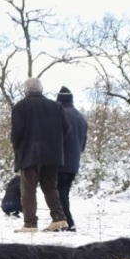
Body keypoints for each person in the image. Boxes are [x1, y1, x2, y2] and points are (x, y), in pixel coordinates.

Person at [10, 78, 70, 233]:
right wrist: (55, 144)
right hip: (52, 155)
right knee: (50, 187)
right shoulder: (56, 106)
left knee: (28, 189)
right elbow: (66, 128)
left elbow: (16, 133)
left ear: (25, 91)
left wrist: (17, 147)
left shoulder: (20, 107)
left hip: (29, 154)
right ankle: (59, 219)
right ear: (41, 90)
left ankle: (30, 223)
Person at [56, 86, 88, 231]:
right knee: (64, 193)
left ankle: (67, 222)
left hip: (60, 161)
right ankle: (63, 221)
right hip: (74, 162)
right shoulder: (80, 117)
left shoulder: (59, 115)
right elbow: (83, 144)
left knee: (59, 193)